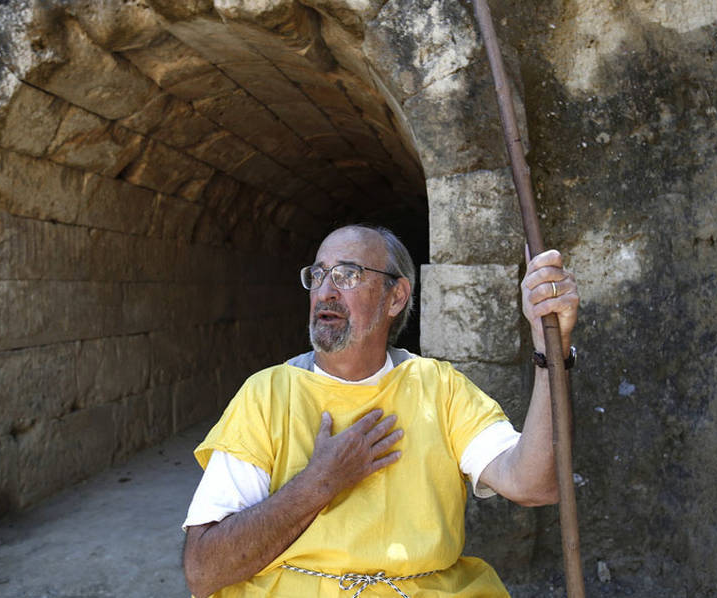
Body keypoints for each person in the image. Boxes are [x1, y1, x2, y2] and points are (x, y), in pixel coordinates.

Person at [182, 224, 579, 597]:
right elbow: (204, 571)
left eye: (347, 275)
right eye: (318, 275)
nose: (326, 291)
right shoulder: (267, 394)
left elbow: (535, 485)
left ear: (396, 297)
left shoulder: (439, 387)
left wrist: (551, 347)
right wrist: (319, 482)